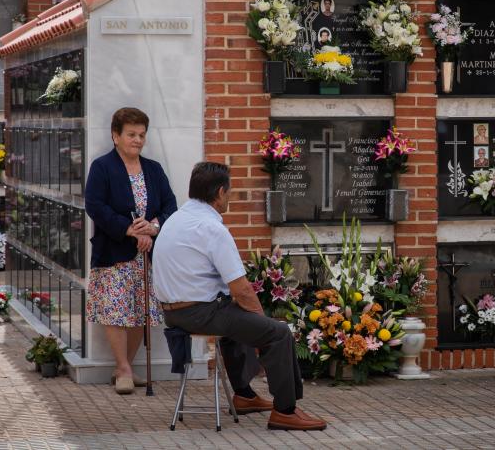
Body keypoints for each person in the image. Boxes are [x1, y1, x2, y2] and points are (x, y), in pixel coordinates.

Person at [153, 162, 327, 431]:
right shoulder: (212, 229)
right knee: (278, 332)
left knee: (236, 315)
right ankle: (286, 411)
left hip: (173, 312)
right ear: (221, 192)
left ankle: (244, 395)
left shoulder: (175, 219)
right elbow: (241, 288)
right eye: (230, 191)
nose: (230, 195)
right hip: (200, 313)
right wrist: (262, 324)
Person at [84, 107, 177, 395]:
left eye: (142, 135)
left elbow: (170, 205)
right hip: (115, 252)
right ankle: (122, 368)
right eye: (131, 134)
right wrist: (128, 229)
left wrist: (153, 228)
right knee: (116, 310)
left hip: (147, 255)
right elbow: (95, 205)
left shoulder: (154, 169)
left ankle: (126, 366)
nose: (137, 140)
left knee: (141, 312)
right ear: (116, 136)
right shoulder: (102, 167)